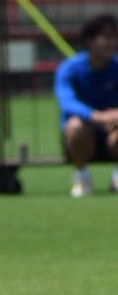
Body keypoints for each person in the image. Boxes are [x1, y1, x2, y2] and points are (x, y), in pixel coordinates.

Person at [54, 12, 118, 197]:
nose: (111, 42)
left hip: (111, 133)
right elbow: (66, 101)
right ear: (90, 40)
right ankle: (81, 176)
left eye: (114, 37)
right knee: (74, 126)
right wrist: (94, 116)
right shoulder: (69, 68)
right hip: (84, 135)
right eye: (105, 37)